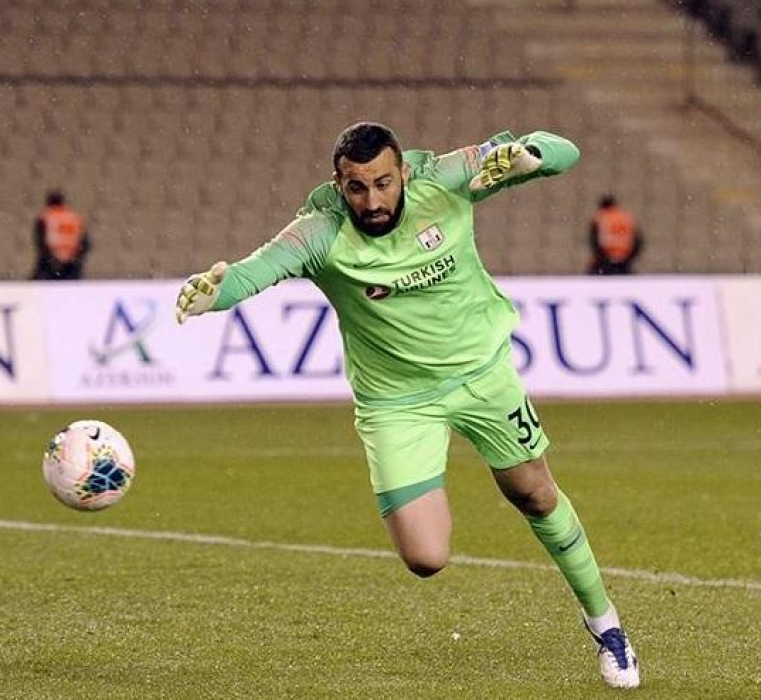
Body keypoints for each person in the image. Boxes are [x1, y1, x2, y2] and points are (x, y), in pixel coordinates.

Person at [175, 122, 640, 689]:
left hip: (483, 374)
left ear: (403, 172)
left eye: (383, 183)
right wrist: (214, 292)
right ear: (339, 185)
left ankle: (605, 623)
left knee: (535, 493)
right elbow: (253, 272)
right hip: (396, 404)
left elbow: (567, 152)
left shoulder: (447, 177)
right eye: (356, 188)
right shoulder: (320, 231)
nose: (372, 201)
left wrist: (530, 155)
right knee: (426, 557)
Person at [31, 189, 90, 280]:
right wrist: (75, 258)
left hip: (50, 264)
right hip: (71, 263)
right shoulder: (73, 218)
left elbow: (41, 242)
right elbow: (85, 242)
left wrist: (52, 259)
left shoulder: (46, 217)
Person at [588, 193, 642, 275]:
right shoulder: (625, 218)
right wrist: (629, 257)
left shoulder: (601, 217)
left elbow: (595, 241)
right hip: (624, 259)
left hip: (606, 260)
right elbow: (637, 240)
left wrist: (602, 257)